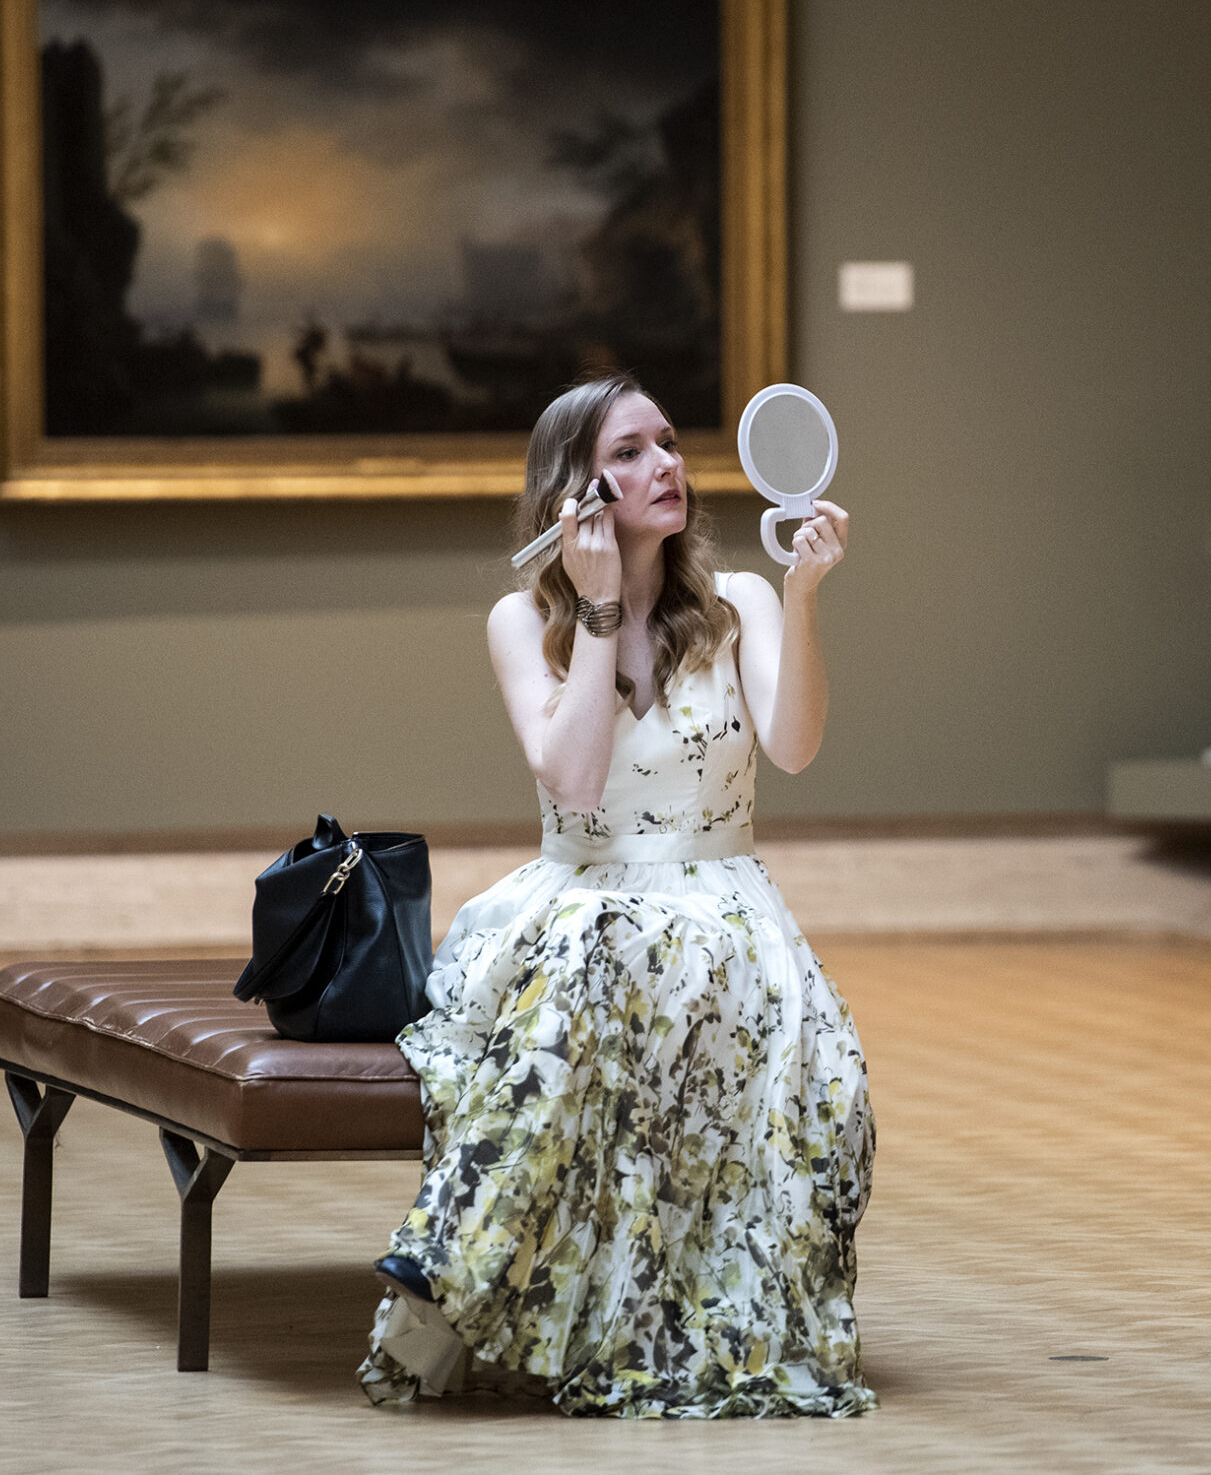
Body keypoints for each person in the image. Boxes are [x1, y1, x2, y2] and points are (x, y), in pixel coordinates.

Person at [358, 373, 872, 1418]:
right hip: (585, 901)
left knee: (780, 1056)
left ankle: (685, 1314)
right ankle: (465, 1265)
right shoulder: (523, 619)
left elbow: (797, 746)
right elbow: (576, 779)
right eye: (629, 454)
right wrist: (597, 610)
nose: (665, 467)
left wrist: (808, 592)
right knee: (596, 971)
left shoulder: (742, 605)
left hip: (723, 908)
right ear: (573, 494)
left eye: (669, 445)